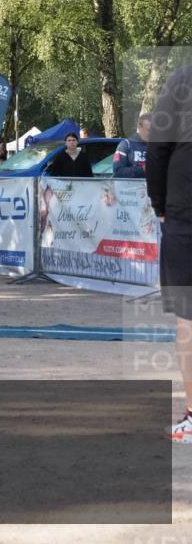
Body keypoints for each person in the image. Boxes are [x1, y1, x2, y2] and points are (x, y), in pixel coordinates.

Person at [146, 64, 192, 443]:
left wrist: (160, 203)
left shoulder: (183, 78)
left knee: (188, 320)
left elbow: (157, 147)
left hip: (184, 212)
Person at [113, 113, 152, 178]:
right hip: (132, 184)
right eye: (149, 130)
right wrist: (142, 169)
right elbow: (117, 172)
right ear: (139, 127)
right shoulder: (126, 145)